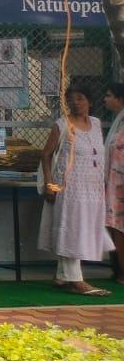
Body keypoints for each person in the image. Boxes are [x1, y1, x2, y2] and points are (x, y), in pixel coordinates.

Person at [39, 83, 111, 296]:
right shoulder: (62, 125)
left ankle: (63, 275)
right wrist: (49, 183)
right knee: (72, 229)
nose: (76, 102)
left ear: (90, 101)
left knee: (82, 228)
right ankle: (76, 280)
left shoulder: (96, 124)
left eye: (80, 98)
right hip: (69, 187)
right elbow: (46, 155)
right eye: (72, 98)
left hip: (92, 187)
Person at [102, 82, 124, 282]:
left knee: (119, 226)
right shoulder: (118, 120)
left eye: (109, 95)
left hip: (120, 182)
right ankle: (118, 268)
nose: (105, 99)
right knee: (116, 225)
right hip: (114, 183)